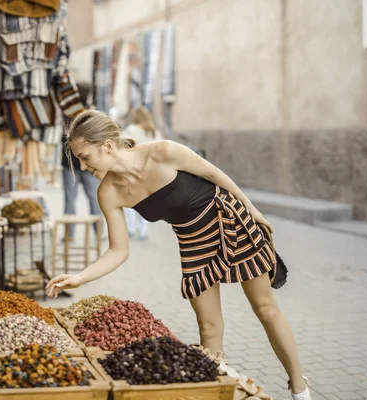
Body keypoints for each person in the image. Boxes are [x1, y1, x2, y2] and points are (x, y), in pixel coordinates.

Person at [46, 110, 311, 400]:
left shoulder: (163, 152)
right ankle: (216, 392)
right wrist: (80, 277)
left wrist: (252, 209)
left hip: (227, 220)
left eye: (85, 157)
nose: (83, 166)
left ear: (108, 146)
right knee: (208, 326)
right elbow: (118, 250)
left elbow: (214, 175)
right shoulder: (108, 192)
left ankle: (299, 388)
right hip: (191, 241)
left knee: (265, 309)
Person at [60, 82, 102, 242]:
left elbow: (63, 139)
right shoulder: (92, 115)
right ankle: (98, 233)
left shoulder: (69, 113)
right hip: (90, 163)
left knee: (70, 198)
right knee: (94, 197)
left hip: (69, 163)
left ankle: (69, 234)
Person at [122, 106, 163, 240]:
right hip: (150, 170)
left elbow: (125, 147)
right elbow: (161, 148)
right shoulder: (153, 131)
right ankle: (143, 230)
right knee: (145, 200)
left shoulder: (131, 130)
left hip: (133, 169)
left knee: (130, 199)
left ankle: (131, 228)